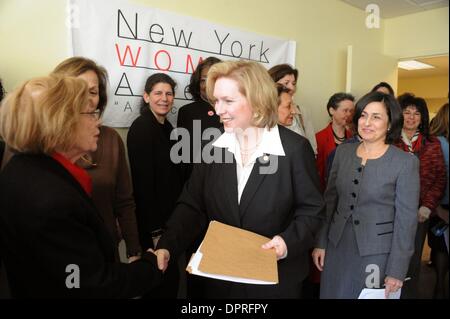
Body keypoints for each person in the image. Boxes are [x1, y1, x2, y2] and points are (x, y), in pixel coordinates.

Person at [154, 60, 324, 298]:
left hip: (274, 281)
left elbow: (312, 210)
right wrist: (167, 245)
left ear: (256, 100)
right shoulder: (213, 149)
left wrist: (286, 243)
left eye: (228, 101)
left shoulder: (295, 149)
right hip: (222, 280)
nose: (219, 109)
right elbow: (192, 205)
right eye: (216, 100)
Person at [0, 75, 162, 298]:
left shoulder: (21, 168)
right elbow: (89, 283)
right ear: (60, 120)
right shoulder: (52, 198)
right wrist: (150, 266)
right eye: (90, 113)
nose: (98, 121)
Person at [312, 91, 420, 299]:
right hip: (337, 247)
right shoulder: (343, 153)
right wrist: (321, 242)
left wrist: (396, 270)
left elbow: (406, 222)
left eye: (376, 117)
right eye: (363, 115)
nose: (367, 122)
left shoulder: (405, 163)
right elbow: (330, 202)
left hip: (377, 254)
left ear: (390, 124)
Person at [51, 57, 142, 263]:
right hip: (58, 259)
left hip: (105, 254)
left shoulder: (110, 139)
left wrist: (134, 250)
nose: (88, 97)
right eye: (78, 88)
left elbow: (125, 202)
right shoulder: (43, 140)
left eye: (93, 91)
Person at [127, 73, 183, 298]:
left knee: (170, 282)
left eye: (169, 93)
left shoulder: (168, 128)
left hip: (169, 221)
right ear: (146, 96)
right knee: (159, 285)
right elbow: (143, 186)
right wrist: (156, 232)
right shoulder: (141, 128)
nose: (164, 98)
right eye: (158, 93)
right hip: (153, 226)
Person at [395, 93, 446, 299]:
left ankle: (408, 294)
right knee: (391, 259)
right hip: (391, 211)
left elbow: (440, 178)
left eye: (416, 113)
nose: (411, 117)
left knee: (413, 258)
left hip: (420, 214)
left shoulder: (432, 144)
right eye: (406, 112)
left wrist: (427, 205)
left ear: (422, 117)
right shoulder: (389, 141)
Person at [177, 57, 223, 183]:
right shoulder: (187, 112)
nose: (208, 84)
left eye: (214, 79)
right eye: (203, 80)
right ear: (198, 83)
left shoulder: (234, 111)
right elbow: (184, 158)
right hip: (198, 183)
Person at [268, 64, 317, 154]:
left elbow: (312, 147)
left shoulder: (303, 112)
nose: (292, 87)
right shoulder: (263, 115)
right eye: (286, 83)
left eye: (293, 83)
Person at [427, 102, 449, 299]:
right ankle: (440, 285)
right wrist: (438, 208)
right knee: (441, 246)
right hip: (440, 204)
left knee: (440, 247)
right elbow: (434, 175)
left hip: (439, 203)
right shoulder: (437, 143)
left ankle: (440, 285)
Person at [315, 93, 355, 191]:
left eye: (351, 111)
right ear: (332, 110)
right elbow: (317, 171)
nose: (349, 114)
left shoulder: (354, 138)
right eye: (345, 110)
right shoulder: (319, 138)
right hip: (325, 190)